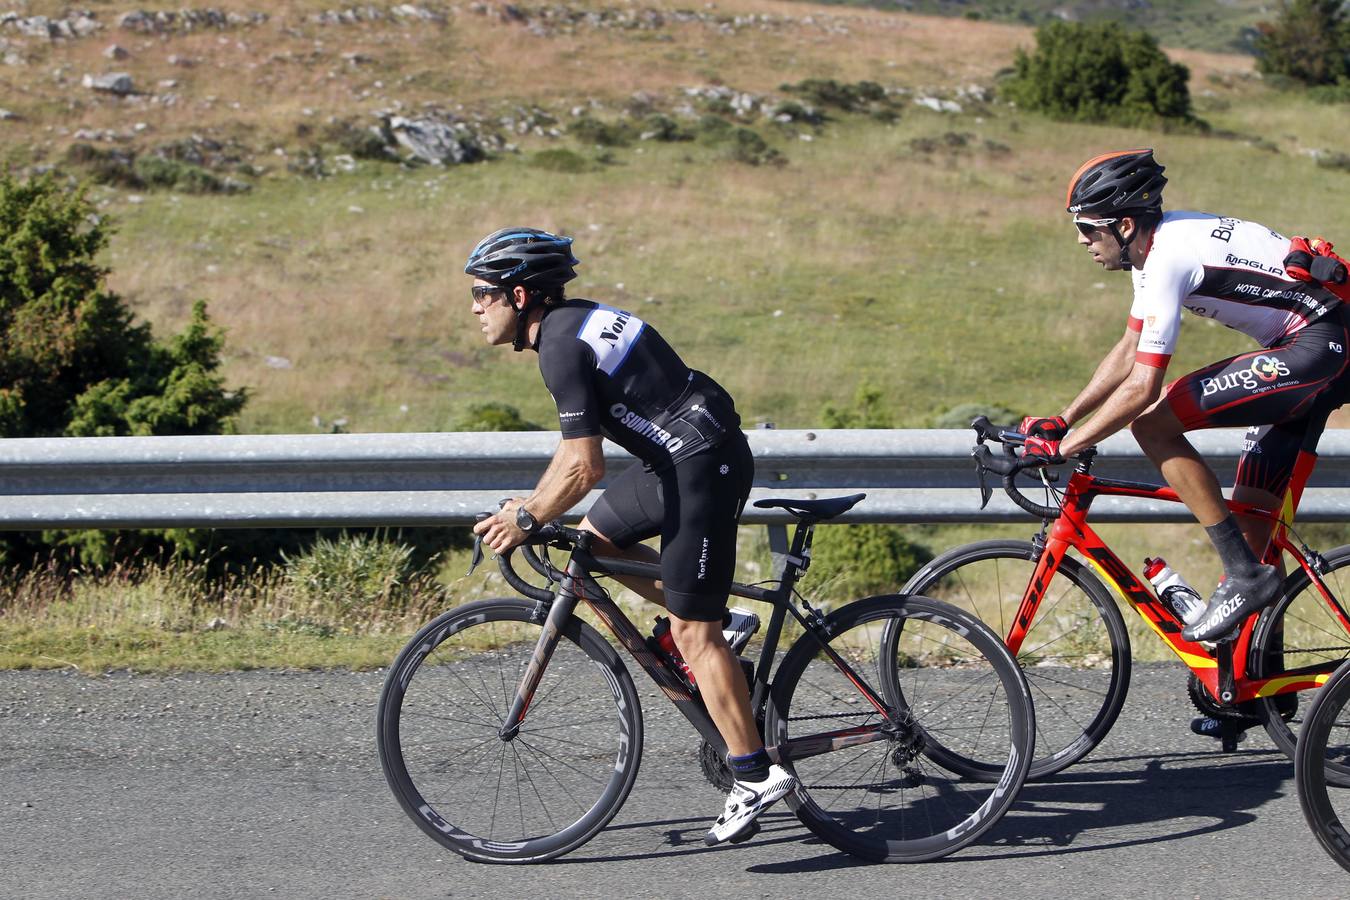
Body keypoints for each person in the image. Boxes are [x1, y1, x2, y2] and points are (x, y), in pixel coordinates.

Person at [465, 227, 796, 845]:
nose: (475, 307)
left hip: (701, 466)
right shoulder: (572, 324)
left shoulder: (558, 348)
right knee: (596, 544)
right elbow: (572, 457)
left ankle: (752, 774)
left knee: (690, 634)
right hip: (678, 457)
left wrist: (529, 518)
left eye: (483, 294)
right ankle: (720, 631)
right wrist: (535, 504)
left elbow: (584, 468)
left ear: (518, 293)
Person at [1018, 149, 1350, 734]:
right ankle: (1254, 690)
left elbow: (1145, 384)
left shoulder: (1168, 255)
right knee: (1255, 528)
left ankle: (1244, 580)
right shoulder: (1153, 252)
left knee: (1153, 423)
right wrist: (1063, 420)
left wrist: (1067, 449)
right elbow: (1128, 350)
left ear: (1124, 224)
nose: (1080, 241)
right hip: (1314, 349)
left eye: (1088, 229)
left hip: (1319, 347)